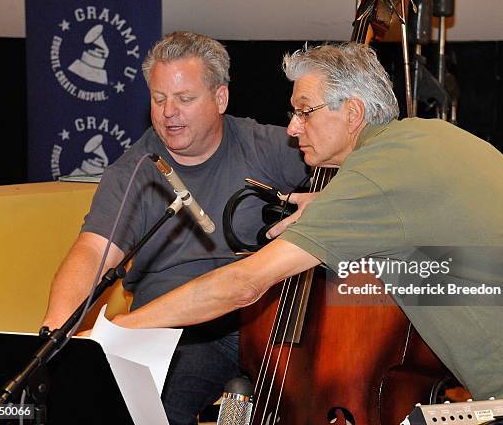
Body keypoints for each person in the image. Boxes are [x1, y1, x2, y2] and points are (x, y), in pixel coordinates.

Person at [109, 42, 503, 400]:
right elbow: (486, 271)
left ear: (352, 112)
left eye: (303, 111)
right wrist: (340, 224)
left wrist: (119, 333)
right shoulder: (431, 139)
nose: (292, 128)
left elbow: (243, 285)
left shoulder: (376, 173)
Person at [42, 31, 308, 424]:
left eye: (184, 99)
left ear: (220, 98)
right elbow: (93, 253)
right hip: (175, 331)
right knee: (153, 411)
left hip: (266, 322)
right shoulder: (132, 173)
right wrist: (55, 335)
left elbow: (353, 162)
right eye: (159, 98)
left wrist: (329, 200)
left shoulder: (269, 146)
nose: (169, 113)